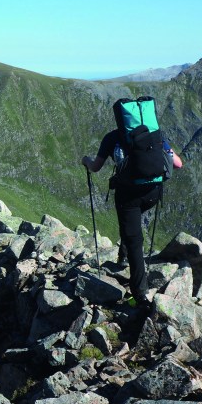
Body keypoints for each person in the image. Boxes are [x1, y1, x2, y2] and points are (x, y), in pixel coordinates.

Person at [82, 127, 183, 306]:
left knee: (134, 239)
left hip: (128, 197)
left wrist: (86, 161)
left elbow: (95, 167)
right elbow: (177, 163)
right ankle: (123, 253)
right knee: (130, 228)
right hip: (152, 193)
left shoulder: (112, 137)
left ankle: (140, 294)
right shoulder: (154, 133)